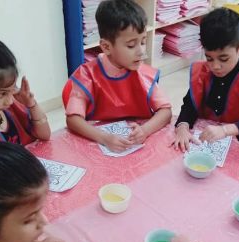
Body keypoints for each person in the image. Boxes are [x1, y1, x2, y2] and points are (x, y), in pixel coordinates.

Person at [64, 0, 172, 151]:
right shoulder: (87, 76)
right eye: (131, 45)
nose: (141, 51)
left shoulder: (144, 74)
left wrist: (145, 130)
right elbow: (73, 120)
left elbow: (166, 112)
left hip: (134, 144)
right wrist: (104, 138)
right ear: (106, 47)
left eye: (143, 42)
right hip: (98, 145)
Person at [173, 8, 239, 151]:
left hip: (235, 145)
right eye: (209, 58)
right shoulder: (201, 73)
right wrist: (182, 127)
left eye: (223, 59)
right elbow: (189, 106)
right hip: (203, 142)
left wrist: (225, 130)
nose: (215, 66)